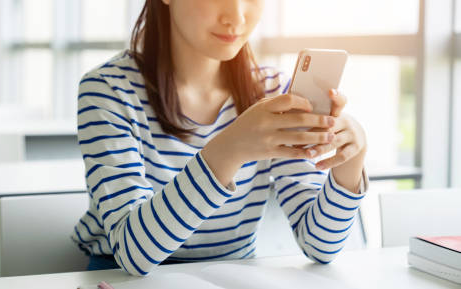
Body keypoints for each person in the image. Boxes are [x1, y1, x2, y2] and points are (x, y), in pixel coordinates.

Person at [71, 0, 369, 276]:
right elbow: (134, 253)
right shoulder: (107, 90)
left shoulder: (274, 91)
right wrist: (231, 149)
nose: (237, 16)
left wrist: (349, 163)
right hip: (119, 277)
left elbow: (320, 245)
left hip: (232, 276)